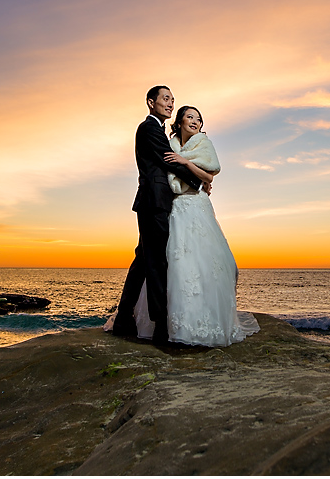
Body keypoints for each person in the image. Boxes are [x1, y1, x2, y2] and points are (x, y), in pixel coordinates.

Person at [129, 105, 260, 347]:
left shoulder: (203, 144)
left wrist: (185, 163)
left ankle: (202, 319)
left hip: (196, 204)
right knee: (174, 261)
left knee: (206, 260)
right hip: (175, 205)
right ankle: (167, 322)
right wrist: (180, 162)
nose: (195, 122)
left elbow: (209, 176)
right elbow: (161, 166)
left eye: (198, 119)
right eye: (189, 117)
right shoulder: (170, 143)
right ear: (178, 122)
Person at [109, 86, 204, 345]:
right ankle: (160, 325)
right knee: (156, 262)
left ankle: (122, 319)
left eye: (173, 100)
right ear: (151, 102)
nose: (170, 103)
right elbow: (167, 159)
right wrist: (196, 182)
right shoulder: (149, 127)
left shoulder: (156, 129)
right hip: (154, 201)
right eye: (165, 99)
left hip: (153, 200)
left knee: (143, 260)